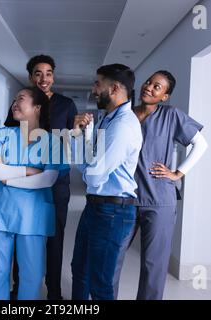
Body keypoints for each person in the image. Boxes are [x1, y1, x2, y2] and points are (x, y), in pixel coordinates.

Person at [113, 70, 208, 300]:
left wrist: (178, 173)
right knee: (112, 258)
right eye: (148, 82)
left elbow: (201, 144)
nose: (149, 87)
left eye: (157, 86)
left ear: (165, 96)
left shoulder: (171, 116)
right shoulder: (125, 114)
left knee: (153, 265)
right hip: (124, 197)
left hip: (159, 201)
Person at [0, 87, 70, 300]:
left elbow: (47, 179)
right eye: (13, 99)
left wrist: (8, 178)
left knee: (32, 274)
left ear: (37, 107)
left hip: (33, 216)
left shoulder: (52, 142)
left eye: (21, 98)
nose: (15, 103)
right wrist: (27, 171)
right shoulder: (3, 134)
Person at [5, 55, 78, 300]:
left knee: (54, 237)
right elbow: (12, 137)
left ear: (53, 77)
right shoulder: (20, 103)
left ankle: (54, 292)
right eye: (38, 73)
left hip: (56, 179)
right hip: (27, 179)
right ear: (30, 77)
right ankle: (19, 287)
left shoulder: (66, 105)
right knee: (23, 234)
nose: (43, 78)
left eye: (48, 73)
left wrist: (75, 133)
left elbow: (70, 142)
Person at [70, 64, 142, 300]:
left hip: (113, 211)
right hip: (96, 206)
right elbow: (83, 164)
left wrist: (89, 168)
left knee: (100, 283)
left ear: (114, 88)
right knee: (80, 271)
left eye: (97, 83)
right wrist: (77, 135)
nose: (93, 89)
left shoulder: (123, 126)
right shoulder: (106, 120)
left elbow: (94, 175)